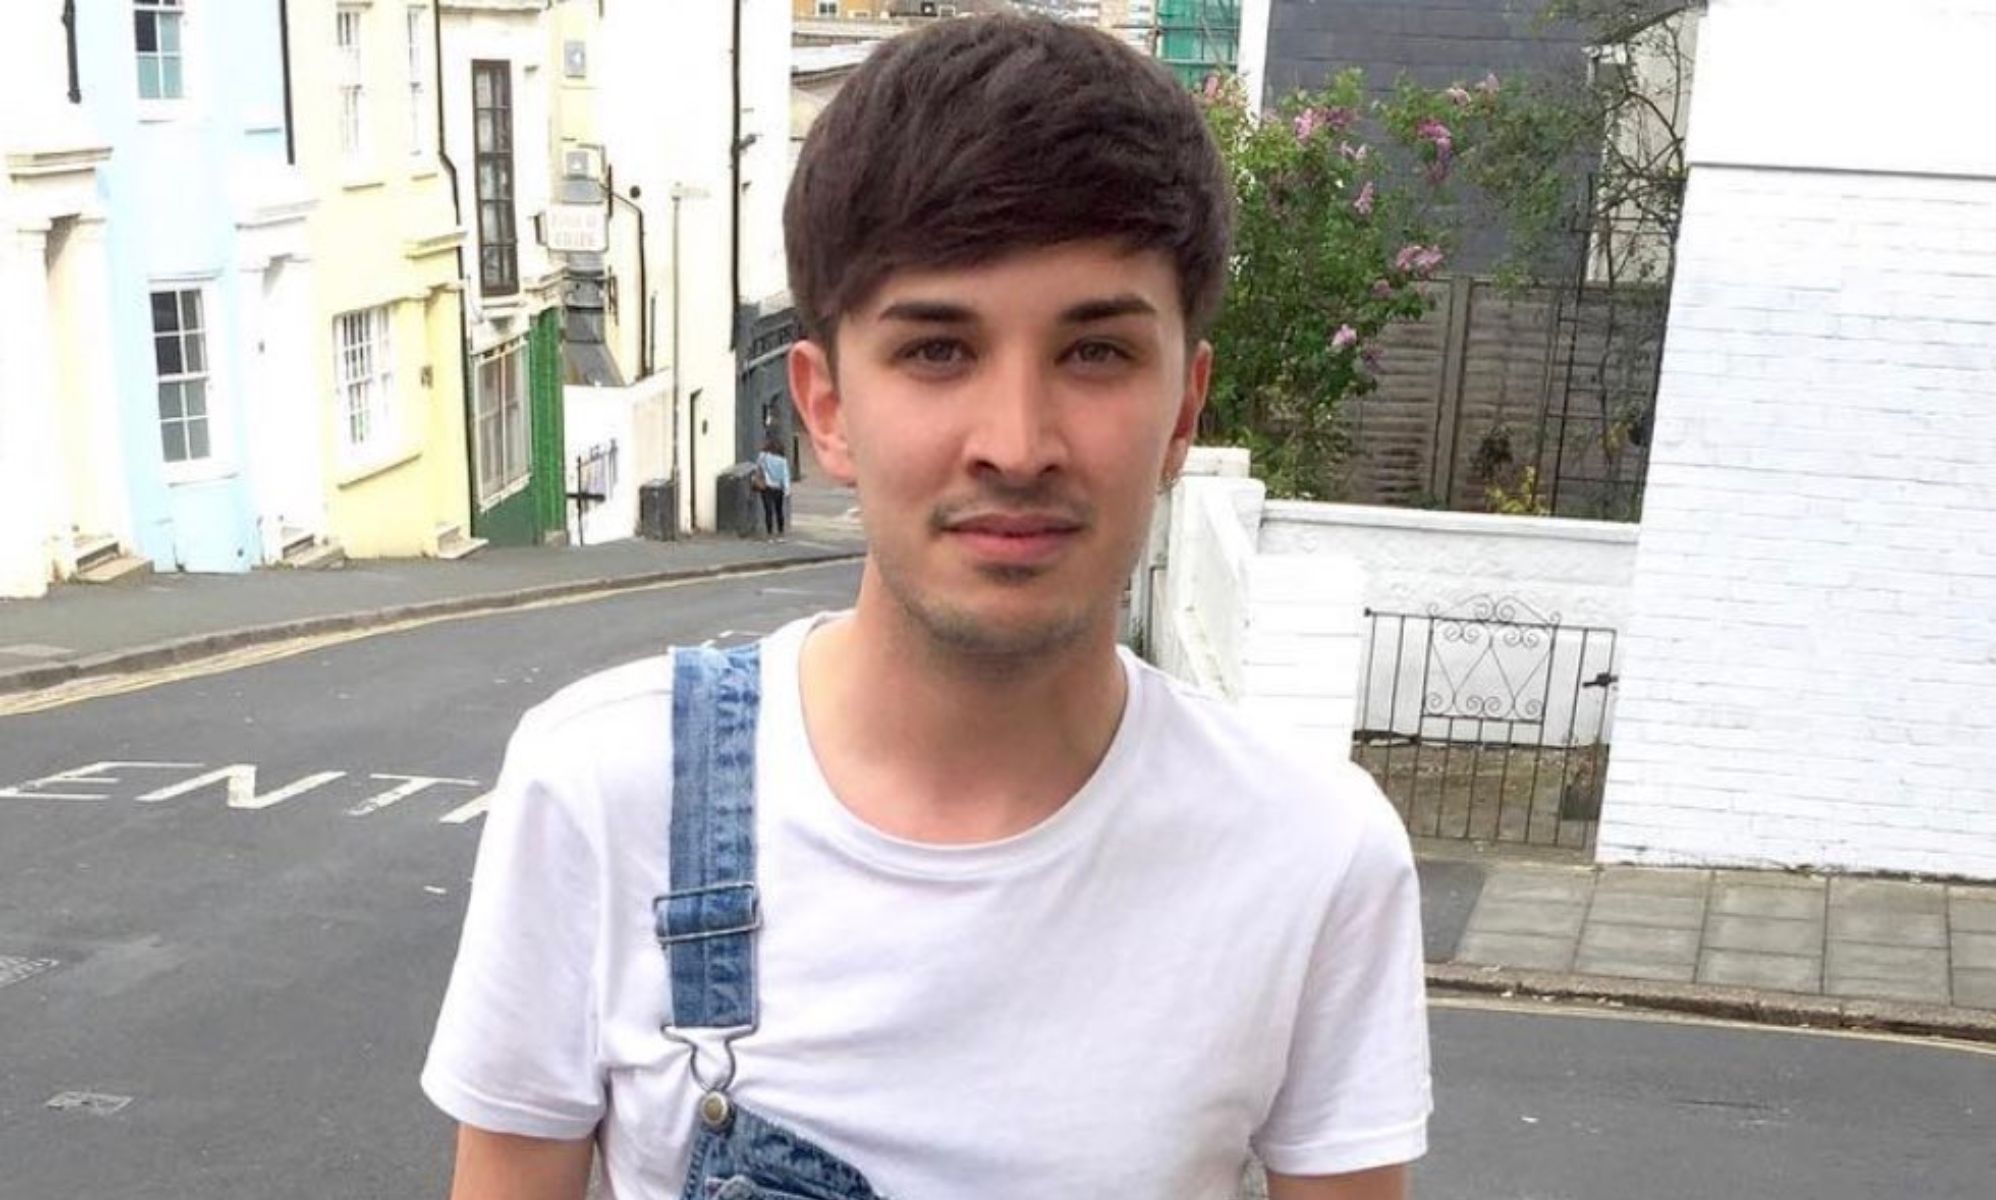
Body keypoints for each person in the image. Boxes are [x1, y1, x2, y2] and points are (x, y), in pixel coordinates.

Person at [421, 16, 1429, 1200]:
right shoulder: (604, 785)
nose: (1016, 443)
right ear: (826, 406)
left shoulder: (1313, 852)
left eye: (1096, 353)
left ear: (1183, 408)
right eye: (938, 352)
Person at [754, 435, 792, 540]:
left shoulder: (763, 456)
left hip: (766, 486)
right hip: (778, 488)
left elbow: (758, 467)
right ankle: (780, 533)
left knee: (768, 511)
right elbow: (785, 475)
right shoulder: (782, 460)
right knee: (779, 511)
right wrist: (787, 489)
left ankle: (769, 534)